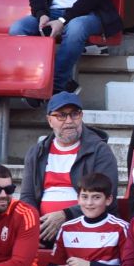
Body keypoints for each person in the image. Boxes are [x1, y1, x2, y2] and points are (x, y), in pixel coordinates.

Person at [20, 92, 116, 241]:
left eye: (74, 114)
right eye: (61, 115)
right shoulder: (36, 152)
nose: (69, 121)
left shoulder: (99, 150)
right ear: (50, 120)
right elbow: (28, 196)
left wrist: (65, 215)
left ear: (81, 116)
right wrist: (34, 226)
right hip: (44, 228)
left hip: (89, 227)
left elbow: (107, 194)